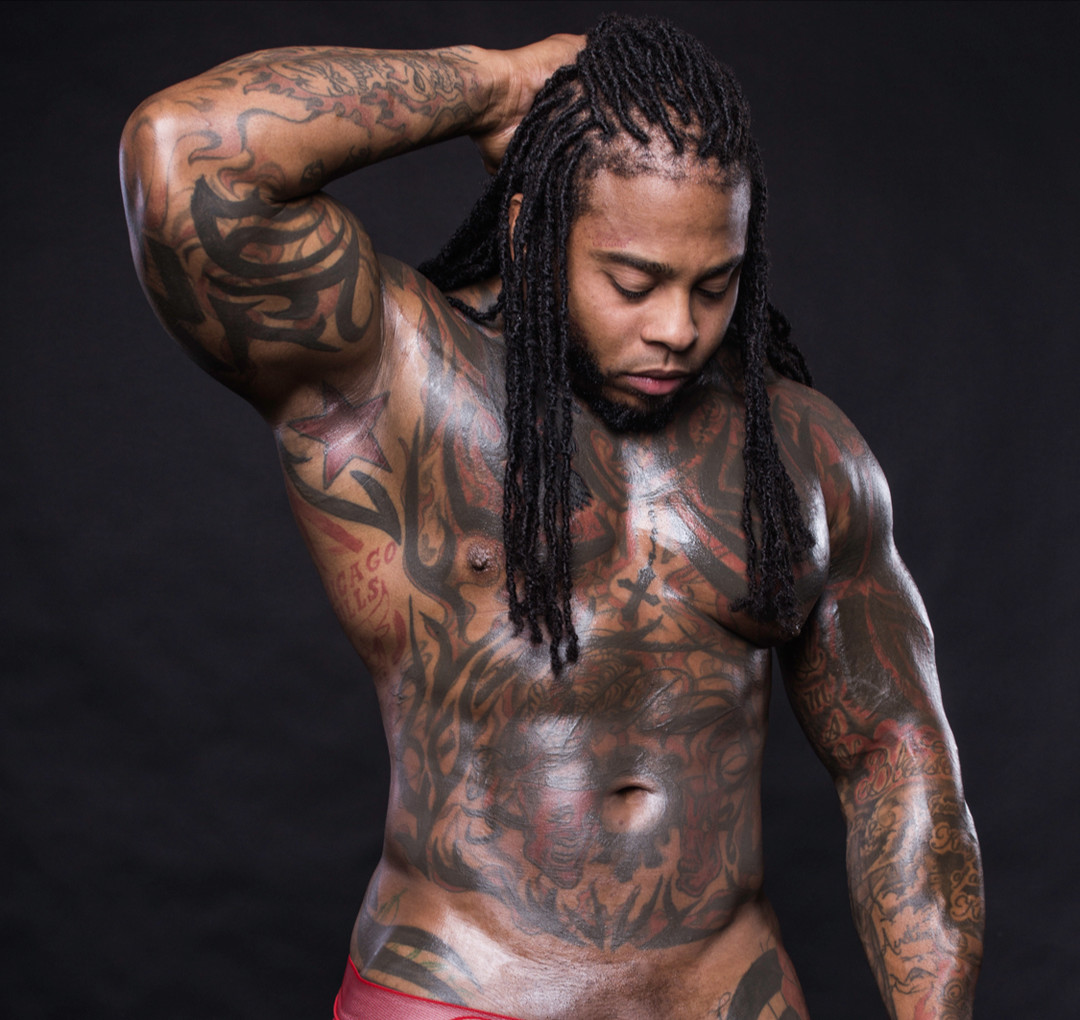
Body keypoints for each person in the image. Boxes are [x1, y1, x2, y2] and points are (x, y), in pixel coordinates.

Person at [121, 14, 983, 1020]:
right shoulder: (399, 379)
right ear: (534, 226)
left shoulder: (803, 451)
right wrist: (491, 84)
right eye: (633, 281)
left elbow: (896, 758)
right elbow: (182, 157)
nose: (678, 328)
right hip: (466, 990)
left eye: (715, 285)